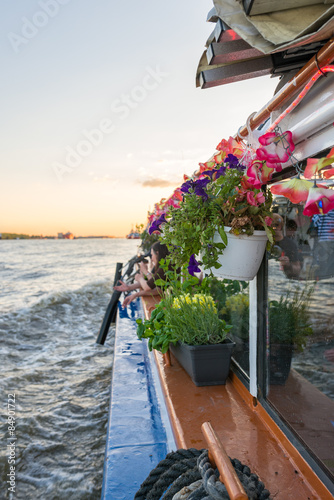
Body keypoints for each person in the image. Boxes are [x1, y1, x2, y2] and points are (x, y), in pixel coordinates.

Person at [114, 241, 170, 307]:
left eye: (152, 255)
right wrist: (130, 287)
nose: (151, 259)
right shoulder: (163, 265)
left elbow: (148, 287)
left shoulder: (165, 267)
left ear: (157, 253)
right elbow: (158, 288)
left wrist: (142, 276)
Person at [272, 213, 303, 279]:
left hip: (282, 280)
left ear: (281, 226)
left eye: (276, 225)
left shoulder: (290, 244)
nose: (274, 227)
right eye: (270, 225)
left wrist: (288, 264)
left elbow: (297, 270)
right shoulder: (263, 242)